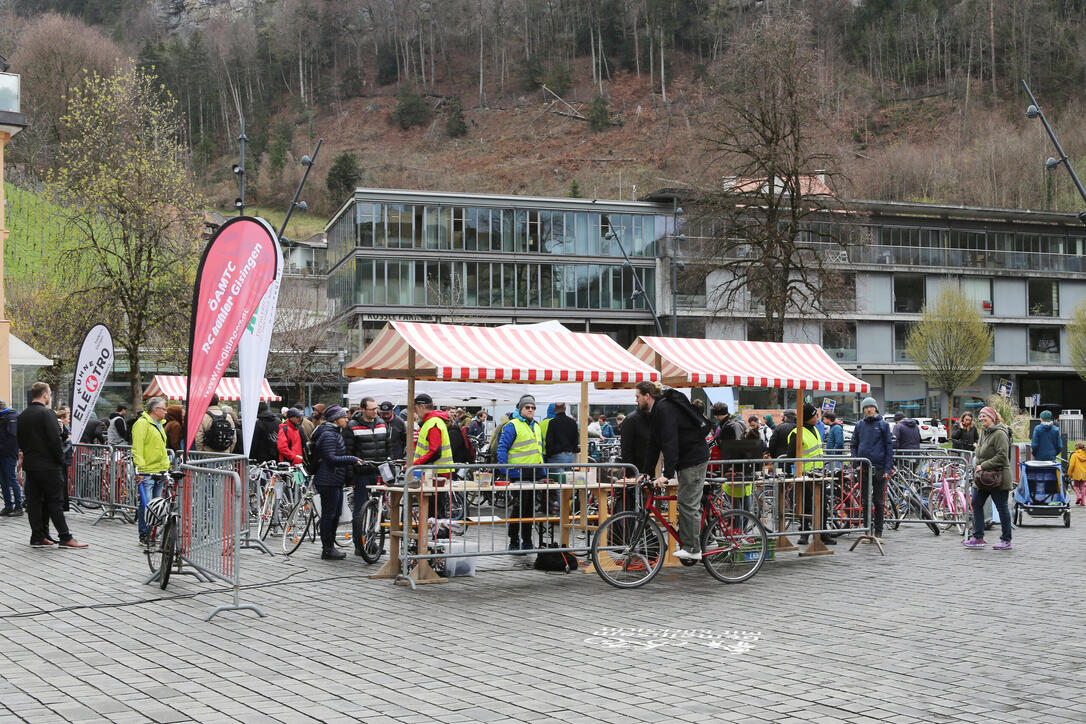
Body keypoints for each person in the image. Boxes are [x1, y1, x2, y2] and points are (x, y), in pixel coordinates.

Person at [637, 382, 710, 562]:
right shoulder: (656, 410)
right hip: (686, 459)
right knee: (688, 503)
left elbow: (670, 441)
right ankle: (704, 537)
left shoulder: (665, 408)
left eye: (637, 396)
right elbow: (654, 443)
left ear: (647, 396)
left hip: (693, 458)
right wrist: (646, 471)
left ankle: (693, 548)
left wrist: (667, 474)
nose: (636, 401)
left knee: (687, 504)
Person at [18, 382, 86, 549]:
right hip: (48, 465)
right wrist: (60, 459)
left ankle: (38, 536)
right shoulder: (47, 413)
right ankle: (65, 536)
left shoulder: (23, 415)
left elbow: (20, 439)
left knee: (34, 502)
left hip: (31, 465)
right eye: (50, 394)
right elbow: (54, 440)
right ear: (45, 395)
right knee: (54, 501)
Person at [311, 405, 363, 560]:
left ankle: (329, 546)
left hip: (333, 479)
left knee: (334, 514)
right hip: (328, 480)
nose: (347, 419)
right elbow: (331, 458)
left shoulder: (333, 433)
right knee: (330, 514)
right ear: (335, 419)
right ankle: (327, 548)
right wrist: (352, 459)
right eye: (343, 417)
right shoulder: (329, 435)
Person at [496, 395, 544, 551]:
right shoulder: (512, 425)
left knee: (529, 509)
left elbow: (539, 451)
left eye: (533, 407)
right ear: (520, 409)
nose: (530, 410)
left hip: (533, 473)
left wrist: (542, 471)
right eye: (527, 407)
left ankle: (528, 540)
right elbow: (502, 448)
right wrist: (505, 471)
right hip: (518, 474)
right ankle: (514, 540)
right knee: (519, 508)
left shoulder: (536, 426)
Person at [964, 406, 1013, 550]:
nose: (981, 419)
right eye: (980, 416)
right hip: (982, 478)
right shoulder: (984, 432)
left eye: (984, 416)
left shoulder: (1000, 434)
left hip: (998, 477)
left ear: (992, 417)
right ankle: (978, 537)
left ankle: (1006, 540)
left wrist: (983, 465)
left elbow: (1002, 456)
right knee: (976, 504)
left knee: (1002, 508)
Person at [347, 397, 389, 557]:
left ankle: (371, 542)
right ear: (363, 409)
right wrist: (351, 478)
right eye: (371, 409)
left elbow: (387, 446)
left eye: (376, 408)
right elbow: (348, 453)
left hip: (378, 471)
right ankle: (360, 544)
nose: (375, 411)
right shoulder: (352, 426)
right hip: (361, 474)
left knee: (376, 508)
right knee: (360, 510)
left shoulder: (381, 423)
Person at [788, 403, 835, 546]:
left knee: (822, 504)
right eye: (815, 414)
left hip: (818, 474)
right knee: (806, 506)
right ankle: (804, 533)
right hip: (804, 476)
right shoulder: (797, 433)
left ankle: (823, 533)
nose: (818, 417)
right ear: (809, 417)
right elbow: (791, 457)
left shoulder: (814, 428)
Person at [850, 396, 894, 542]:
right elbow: (853, 444)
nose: (869, 409)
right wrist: (855, 463)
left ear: (875, 408)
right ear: (863, 410)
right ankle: (868, 531)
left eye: (871, 407)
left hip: (880, 468)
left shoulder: (883, 425)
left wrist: (888, 468)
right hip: (863, 468)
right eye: (866, 407)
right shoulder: (859, 425)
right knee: (865, 500)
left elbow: (889, 447)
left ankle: (878, 532)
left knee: (878, 501)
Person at [132, 398, 170, 546]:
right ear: (156, 410)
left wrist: (166, 466)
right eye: (164, 409)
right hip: (147, 471)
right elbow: (138, 448)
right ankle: (145, 534)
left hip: (159, 471)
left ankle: (152, 533)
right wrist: (140, 469)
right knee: (147, 505)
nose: (166, 412)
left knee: (156, 505)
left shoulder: (159, 425)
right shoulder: (142, 424)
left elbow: (161, 448)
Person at [0, 400, 21, 516]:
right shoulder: (4, 417)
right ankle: (8, 506)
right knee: (3, 481)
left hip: (8, 454)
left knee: (12, 479)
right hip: (3, 453)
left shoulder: (11, 417)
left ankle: (18, 506)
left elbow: (12, 437)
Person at [1068, 442, 1086, 506]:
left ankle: (1078, 496)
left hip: (1077, 472)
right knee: (1083, 486)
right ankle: (1083, 501)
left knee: (1075, 486)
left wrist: (1069, 474)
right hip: (1084, 473)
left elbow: (1071, 465)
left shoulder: (1074, 455)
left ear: (1076, 447)